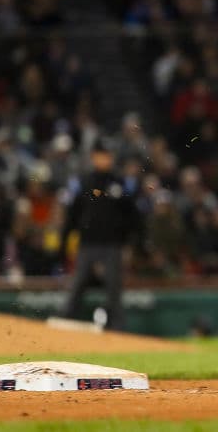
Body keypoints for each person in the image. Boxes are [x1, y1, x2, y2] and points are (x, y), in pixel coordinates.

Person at [57, 139, 144, 331]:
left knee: (114, 291)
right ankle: (64, 327)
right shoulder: (84, 182)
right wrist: (63, 245)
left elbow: (133, 217)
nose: (106, 159)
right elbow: (73, 215)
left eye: (108, 155)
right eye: (102, 155)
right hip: (87, 244)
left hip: (112, 245)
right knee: (77, 287)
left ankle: (118, 330)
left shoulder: (120, 183)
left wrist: (132, 244)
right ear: (94, 156)